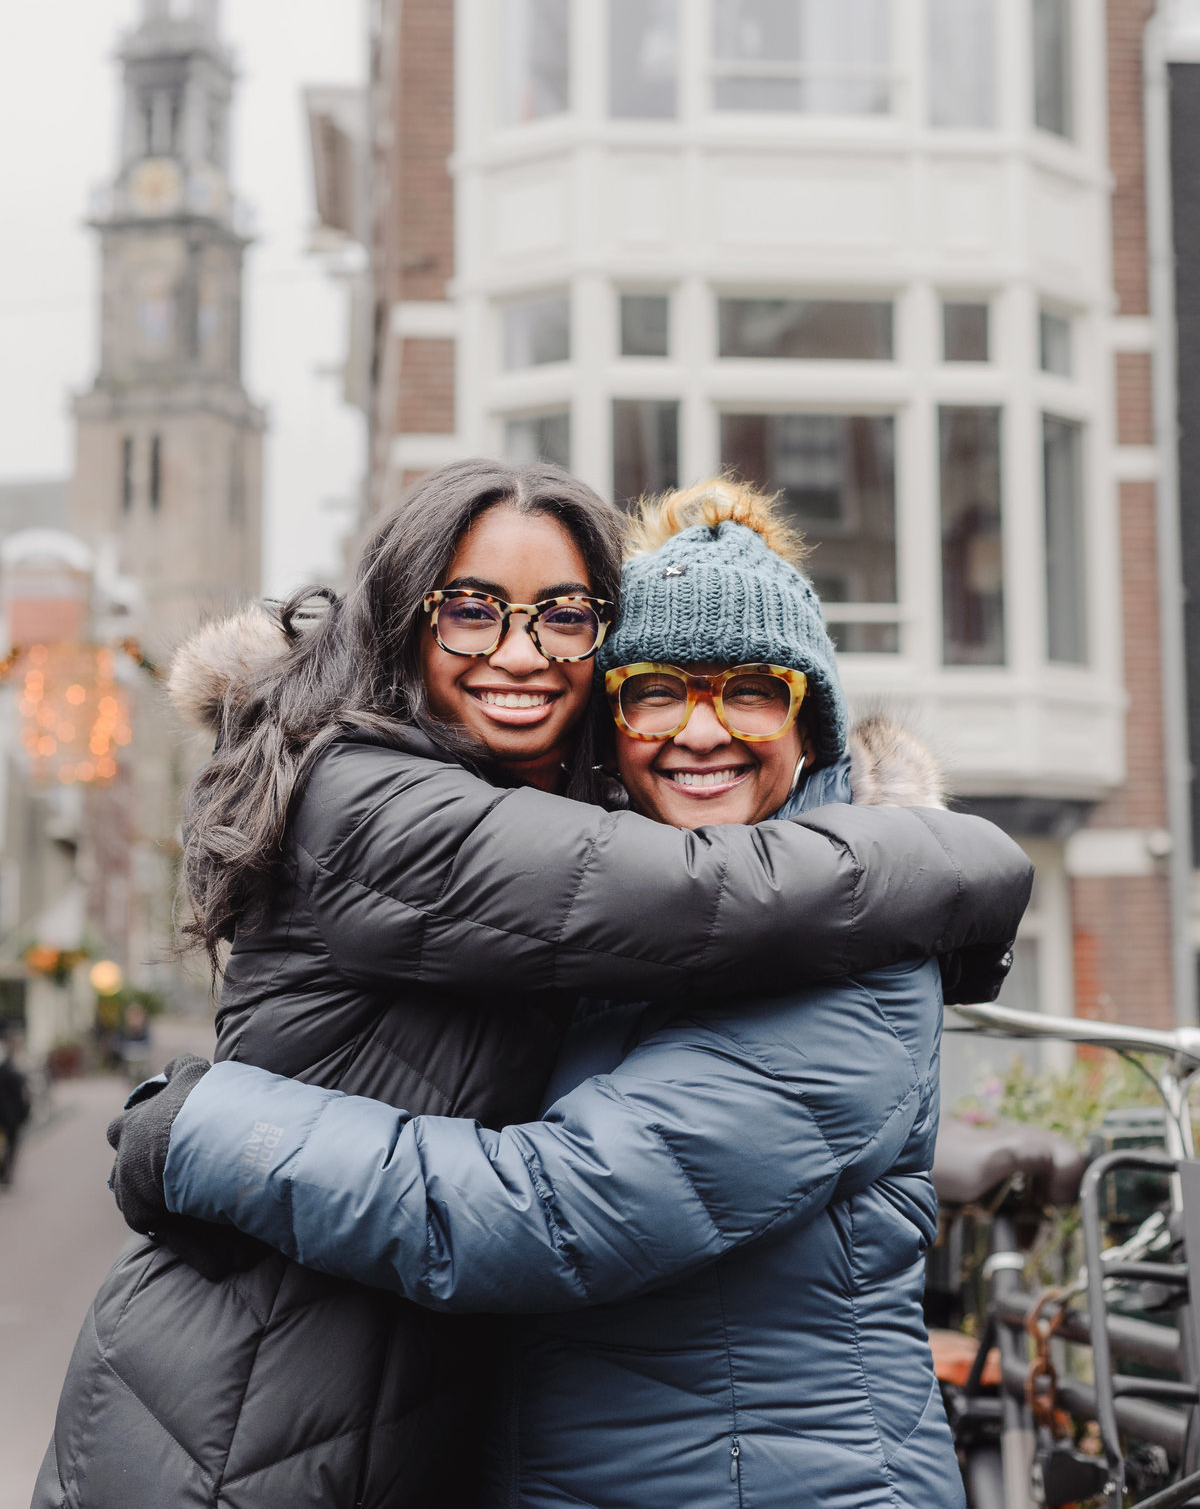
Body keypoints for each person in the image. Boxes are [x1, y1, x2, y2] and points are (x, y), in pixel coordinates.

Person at [41, 464, 1030, 1509]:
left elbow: (554, 1212)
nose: (701, 730)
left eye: (752, 689)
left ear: (811, 722)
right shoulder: (412, 811)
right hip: (236, 1427)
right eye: (655, 691)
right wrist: (949, 862)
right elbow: (686, 902)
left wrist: (212, 1128)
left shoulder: (843, 953)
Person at [0, 1031, 31, 1187]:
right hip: (11, 1116)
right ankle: (6, 1174)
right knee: (10, 1145)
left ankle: (5, 1173)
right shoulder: (12, 1068)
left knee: (8, 1145)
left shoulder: (8, 1067)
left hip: (8, 1115)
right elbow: (21, 1096)